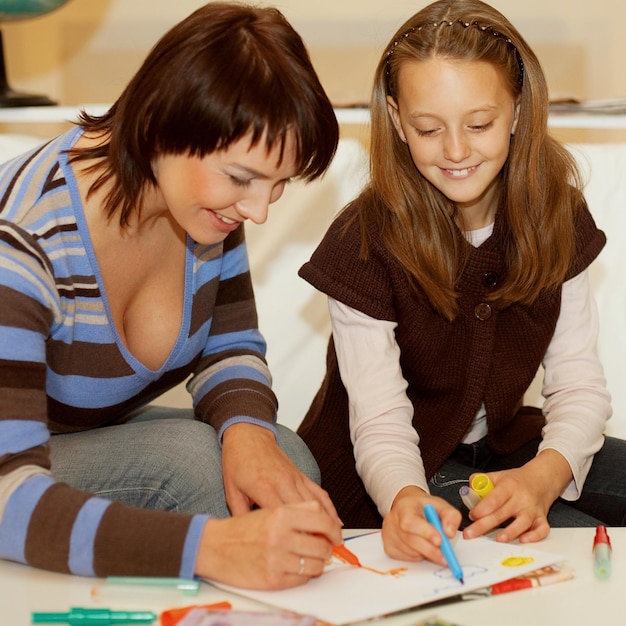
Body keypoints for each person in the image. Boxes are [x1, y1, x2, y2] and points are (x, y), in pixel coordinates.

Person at [0, 2, 343, 590]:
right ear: (161, 126)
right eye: (240, 179)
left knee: (286, 468)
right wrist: (206, 549)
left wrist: (247, 432)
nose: (258, 211)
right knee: (203, 478)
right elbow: (5, 496)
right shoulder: (23, 242)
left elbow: (228, 342)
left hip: (66, 446)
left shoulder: (202, 210)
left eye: (277, 185)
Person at [297, 0, 626, 570]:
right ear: (398, 121)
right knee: (577, 544)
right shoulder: (362, 241)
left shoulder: (557, 217)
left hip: (499, 447)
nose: (455, 150)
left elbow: (578, 384)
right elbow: (379, 421)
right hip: (395, 475)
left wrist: (545, 476)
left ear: (518, 111)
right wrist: (406, 498)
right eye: (429, 128)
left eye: (479, 124)